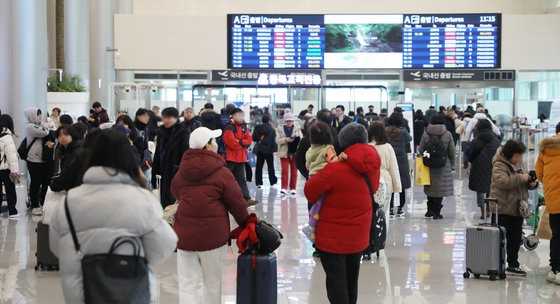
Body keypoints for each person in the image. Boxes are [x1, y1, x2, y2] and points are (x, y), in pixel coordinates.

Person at [49, 129, 178, 304]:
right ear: (128, 158)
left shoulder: (68, 203)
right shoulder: (142, 200)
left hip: (82, 291)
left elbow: (57, 247)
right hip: (130, 289)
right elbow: (164, 244)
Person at [304, 123, 381, 304]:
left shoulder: (335, 168)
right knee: (351, 279)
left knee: (336, 280)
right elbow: (374, 188)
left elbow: (310, 192)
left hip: (333, 237)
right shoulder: (372, 165)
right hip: (359, 234)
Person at [171, 127, 250, 304]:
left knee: (187, 283)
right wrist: (245, 222)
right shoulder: (222, 173)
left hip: (184, 235)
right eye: (214, 141)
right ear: (207, 146)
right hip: (211, 237)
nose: (217, 144)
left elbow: (175, 191)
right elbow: (236, 202)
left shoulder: (182, 171)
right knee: (212, 283)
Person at [489, 140, 538, 277]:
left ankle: (513, 265)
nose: (519, 159)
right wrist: (521, 177)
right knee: (499, 239)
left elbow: (524, 182)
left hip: (518, 207)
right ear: (509, 155)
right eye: (517, 156)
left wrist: (532, 183)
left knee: (515, 239)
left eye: (520, 156)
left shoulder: (521, 163)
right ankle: (496, 265)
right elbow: (501, 182)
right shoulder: (499, 163)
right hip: (502, 207)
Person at [303, 122, 341, 242]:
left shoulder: (310, 149)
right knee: (320, 205)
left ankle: (312, 228)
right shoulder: (328, 148)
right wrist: (341, 158)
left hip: (312, 177)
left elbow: (307, 165)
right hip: (324, 177)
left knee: (315, 203)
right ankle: (311, 228)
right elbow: (331, 160)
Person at [418, 113, 455, 219]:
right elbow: (451, 151)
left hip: (428, 164)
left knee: (430, 188)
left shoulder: (426, 134)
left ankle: (429, 210)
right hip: (443, 165)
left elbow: (420, 150)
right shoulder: (447, 134)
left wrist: (428, 155)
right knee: (440, 189)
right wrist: (452, 163)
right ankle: (437, 212)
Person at [536, 123, 560, 284]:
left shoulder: (546, 148)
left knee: (556, 234)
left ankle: (554, 270)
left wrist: (551, 186)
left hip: (553, 199)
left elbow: (539, 173)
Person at [152, 107, 190, 208]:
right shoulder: (161, 132)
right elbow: (157, 155)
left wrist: (180, 171)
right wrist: (154, 176)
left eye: (169, 118)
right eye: (164, 118)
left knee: (175, 202)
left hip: (176, 174)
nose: (166, 120)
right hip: (163, 174)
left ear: (176, 118)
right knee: (165, 202)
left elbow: (185, 154)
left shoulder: (183, 133)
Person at [465, 120, 500, 219]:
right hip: (493, 167)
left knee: (480, 189)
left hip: (478, 167)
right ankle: (489, 207)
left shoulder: (476, 140)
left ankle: (483, 210)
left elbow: (469, 154)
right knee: (491, 188)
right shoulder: (496, 141)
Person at [368, 122, 402, 226]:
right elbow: (394, 168)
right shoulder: (388, 147)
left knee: (370, 212)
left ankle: (371, 237)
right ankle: (382, 238)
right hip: (386, 182)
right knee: (384, 213)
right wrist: (397, 187)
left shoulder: (367, 147)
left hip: (370, 182)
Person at [223, 108, 258, 206]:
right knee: (226, 179)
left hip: (241, 158)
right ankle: (223, 199)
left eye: (242, 115)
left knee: (241, 179)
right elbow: (231, 143)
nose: (241, 117)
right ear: (232, 116)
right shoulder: (229, 127)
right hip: (230, 158)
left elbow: (249, 140)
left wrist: (240, 141)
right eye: (238, 115)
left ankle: (247, 199)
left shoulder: (243, 127)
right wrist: (243, 144)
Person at [295, 109, 341, 180]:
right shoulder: (338, 139)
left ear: (317, 119)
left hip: (312, 180)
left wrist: (309, 174)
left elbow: (299, 160)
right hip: (334, 180)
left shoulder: (307, 138)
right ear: (331, 121)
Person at [24, 108, 53, 216]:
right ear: (32, 116)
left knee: (46, 182)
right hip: (34, 160)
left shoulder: (39, 125)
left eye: (40, 115)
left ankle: (43, 202)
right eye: (38, 115)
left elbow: (52, 131)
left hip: (44, 159)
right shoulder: (30, 126)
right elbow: (45, 133)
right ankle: (35, 206)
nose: (40, 117)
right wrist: (46, 126)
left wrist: (47, 127)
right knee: (35, 183)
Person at [385, 113, 411, 217]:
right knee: (402, 183)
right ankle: (400, 208)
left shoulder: (385, 131)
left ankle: (390, 208)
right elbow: (410, 139)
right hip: (401, 161)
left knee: (390, 183)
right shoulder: (403, 132)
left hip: (389, 160)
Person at [49, 125, 87, 192]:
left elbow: (67, 177)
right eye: (60, 135)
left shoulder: (76, 150)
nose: (62, 137)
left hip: (77, 190)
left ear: (73, 135)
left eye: (66, 134)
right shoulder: (66, 150)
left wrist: (54, 185)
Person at [276, 109, 302, 196]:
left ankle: (293, 188)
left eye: (290, 121)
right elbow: (277, 140)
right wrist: (285, 140)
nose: (289, 123)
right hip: (284, 152)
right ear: (284, 121)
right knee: (284, 171)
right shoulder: (280, 129)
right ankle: (283, 188)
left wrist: (296, 140)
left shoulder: (297, 128)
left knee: (294, 171)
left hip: (294, 152)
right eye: (287, 121)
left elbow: (301, 140)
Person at [0, 115, 19, 218]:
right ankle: (12, 211)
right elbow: (11, 155)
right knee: (10, 190)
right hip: (6, 169)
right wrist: (15, 171)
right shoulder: (7, 137)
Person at [252, 114, 277, 188]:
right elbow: (274, 141)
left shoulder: (257, 128)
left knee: (259, 166)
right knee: (270, 166)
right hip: (269, 150)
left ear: (262, 121)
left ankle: (259, 183)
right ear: (269, 121)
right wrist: (274, 150)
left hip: (260, 150)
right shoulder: (272, 130)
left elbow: (254, 138)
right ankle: (272, 182)